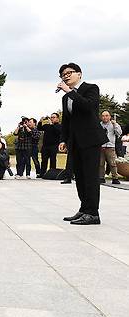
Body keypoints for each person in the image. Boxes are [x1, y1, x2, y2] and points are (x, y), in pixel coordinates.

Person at [57, 63, 108, 225]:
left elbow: (89, 107)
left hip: (91, 140)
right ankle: (84, 209)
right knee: (79, 176)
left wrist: (70, 92)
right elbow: (67, 121)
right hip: (75, 141)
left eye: (69, 73)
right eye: (63, 74)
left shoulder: (91, 88)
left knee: (90, 177)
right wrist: (63, 139)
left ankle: (93, 213)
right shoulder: (66, 97)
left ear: (79, 74)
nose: (66, 76)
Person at [99, 111, 122, 185]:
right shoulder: (99, 124)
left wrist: (115, 124)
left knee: (112, 163)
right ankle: (101, 177)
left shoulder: (113, 124)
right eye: (103, 116)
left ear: (109, 116)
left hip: (110, 147)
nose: (104, 117)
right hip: (101, 147)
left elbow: (119, 133)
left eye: (106, 115)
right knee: (101, 164)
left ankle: (115, 178)